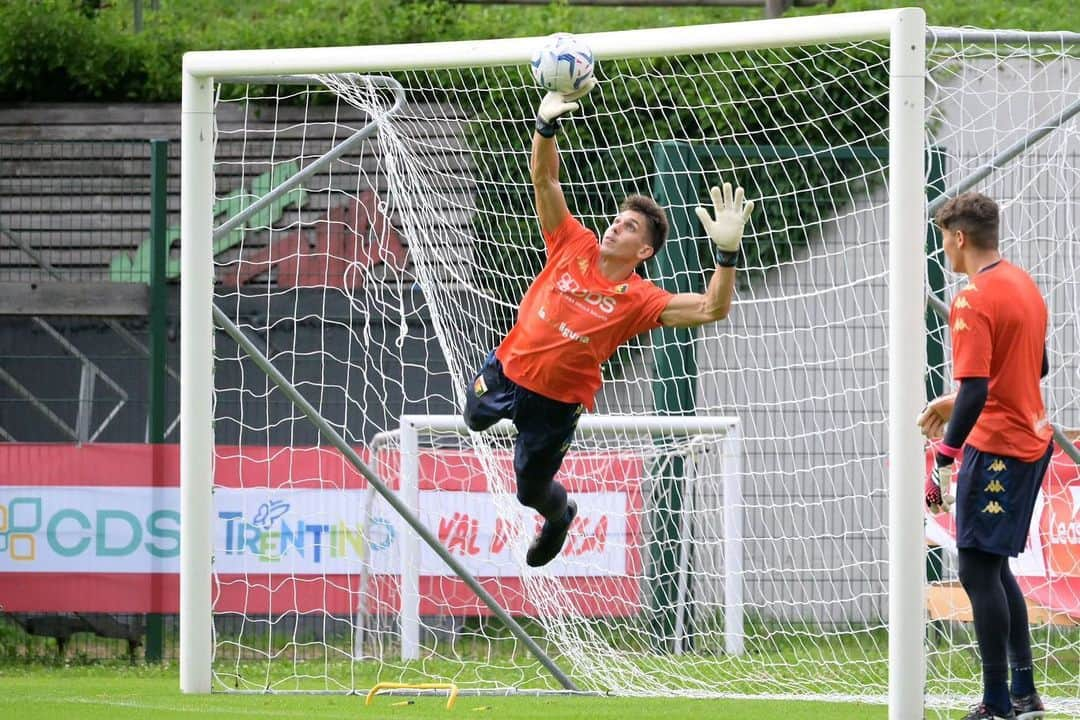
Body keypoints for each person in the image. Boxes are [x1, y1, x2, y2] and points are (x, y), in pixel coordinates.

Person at [463, 78, 754, 568]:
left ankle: (561, 518)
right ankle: (502, 422)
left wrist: (726, 254)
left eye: (630, 226)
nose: (616, 225)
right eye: (617, 219)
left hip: (557, 405)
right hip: (506, 372)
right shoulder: (571, 243)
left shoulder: (641, 298)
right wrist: (544, 127)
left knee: (530, 491)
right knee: (473, 418)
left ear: (644, 252)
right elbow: (545, 181)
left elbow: (711, 309)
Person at [917, 192, 1052, 720]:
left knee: (976, 573)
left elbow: (974, 390)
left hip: (999, 449)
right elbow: (1037, 365)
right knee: (994, 569)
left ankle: (997, 703)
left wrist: (944, 458)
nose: (943, 248)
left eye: (943, 238)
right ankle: (1023, 692)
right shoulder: (1023, 284)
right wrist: (962, 398)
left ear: (958, 236)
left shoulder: (972, 298)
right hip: (1031, 440)